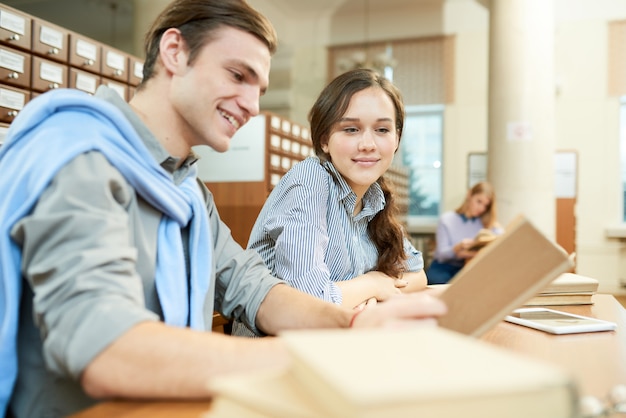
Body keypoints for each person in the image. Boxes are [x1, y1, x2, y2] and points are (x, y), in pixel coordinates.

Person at [0, 1, 447, 417]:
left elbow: (255, 289)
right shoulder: (81, 159)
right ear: (175, 52)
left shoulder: (187, 190)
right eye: (238, 76)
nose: (253, 106)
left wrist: (352, 324)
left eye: (260, 88)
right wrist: (327, 353)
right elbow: (105, 349)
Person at [232, 69, 428, 337]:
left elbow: (418, 274)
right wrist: (373, 283)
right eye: (351, 129)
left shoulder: (373, 196)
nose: (368, 144)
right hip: (274, 357)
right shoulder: (310, 180)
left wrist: (373, 292)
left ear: (396, 140)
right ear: (324, 139)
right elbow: (309, 302)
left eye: (382, 129)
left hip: (337, 345)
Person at [426, 181, 503, 285]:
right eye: (479, 201)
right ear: (469, 195)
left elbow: (502, 240)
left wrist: (494, 223)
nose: (481, 208)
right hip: (443, 267)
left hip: (469, 267)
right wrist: (456, 249)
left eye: (486, 206)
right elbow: (441, 255)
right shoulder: (446, 219)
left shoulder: (485, 223)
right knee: (442, 283)